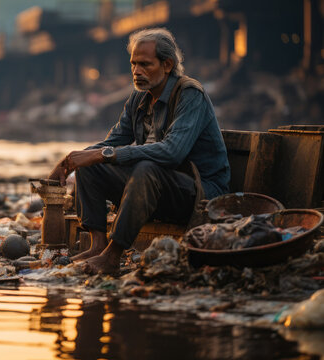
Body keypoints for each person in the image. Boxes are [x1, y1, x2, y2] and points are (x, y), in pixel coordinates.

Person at [48, 28, 230, 275]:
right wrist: (71, 160)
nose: (136, 71)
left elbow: (172, 152)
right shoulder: (139, 98)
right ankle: (97, 245)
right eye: (133, 64)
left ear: (167, 65)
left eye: (145, 64)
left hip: (201, 193)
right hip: (160, 186)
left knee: (144, 169)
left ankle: (113, 255)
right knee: (91, 166)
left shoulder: (189, 94)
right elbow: (111, 142)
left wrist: (104, 154)